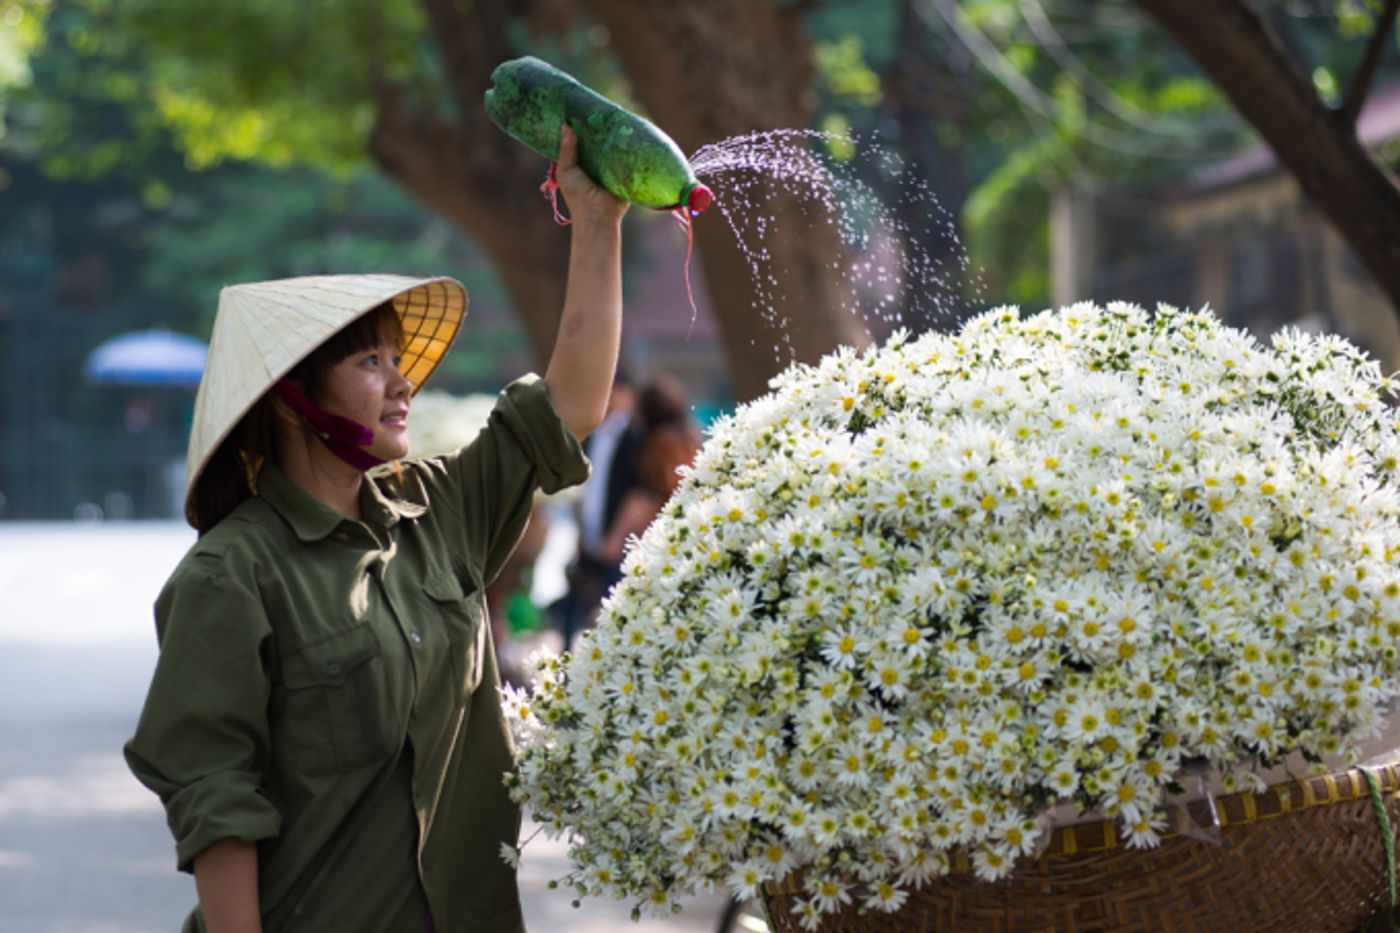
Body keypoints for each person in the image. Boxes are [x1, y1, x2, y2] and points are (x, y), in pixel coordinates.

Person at [123, 125, 627, 933]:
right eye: (370, 363)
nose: (402, 384)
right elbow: (217, 802)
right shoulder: (231, 575)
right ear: (292, 397)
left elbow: (570, 407)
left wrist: (598, 223)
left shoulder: (440, 511)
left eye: (399, 359)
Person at [559, 371, 643, 648]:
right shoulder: (590, 436)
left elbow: (636, 493)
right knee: (574, 608)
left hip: (618, 543)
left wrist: (617, 537)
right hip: (590, 539)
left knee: (617, 610)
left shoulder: (634, 437)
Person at [598, 373, 702, 564]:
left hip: (659, 539)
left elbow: (643, 495)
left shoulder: (653, 448)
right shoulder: (694, 440)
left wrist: (616, 538)